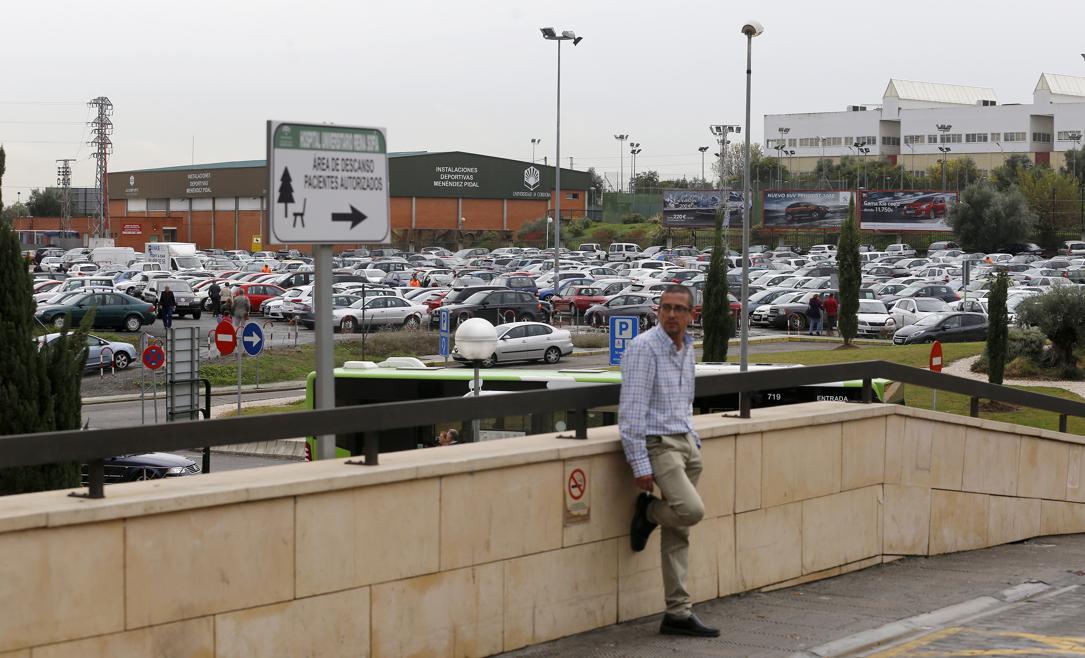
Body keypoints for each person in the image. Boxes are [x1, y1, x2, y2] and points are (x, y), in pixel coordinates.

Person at [620, 284, 718, 638]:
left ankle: (677, 613)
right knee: (691, 511)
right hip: (660, 446)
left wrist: (694, 439)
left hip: (687, 444)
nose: (672, 315)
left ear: (692, 315)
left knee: (680, 533)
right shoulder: (644, 349)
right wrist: (640, 465)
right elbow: (631, 412)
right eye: (666, 308)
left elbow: (685, 401)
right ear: (657, 311)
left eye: (679, 309)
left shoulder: (688, 349)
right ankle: (647, 512)